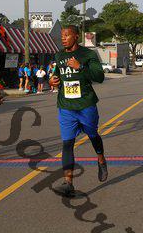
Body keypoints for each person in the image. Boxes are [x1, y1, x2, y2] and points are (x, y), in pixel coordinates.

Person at [49, 25, 107, 197]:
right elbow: (56, 75)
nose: (63, 38)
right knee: (67, 144)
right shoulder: (59, 55)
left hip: (86, 105)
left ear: (76, 36)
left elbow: (100, 77)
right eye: (62, 36)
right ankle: (68, 183)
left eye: (67, 35)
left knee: (93, 135)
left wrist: (80, 67)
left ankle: (101, 159)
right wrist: (52, 81)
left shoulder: (88, 54)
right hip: (66, 106)